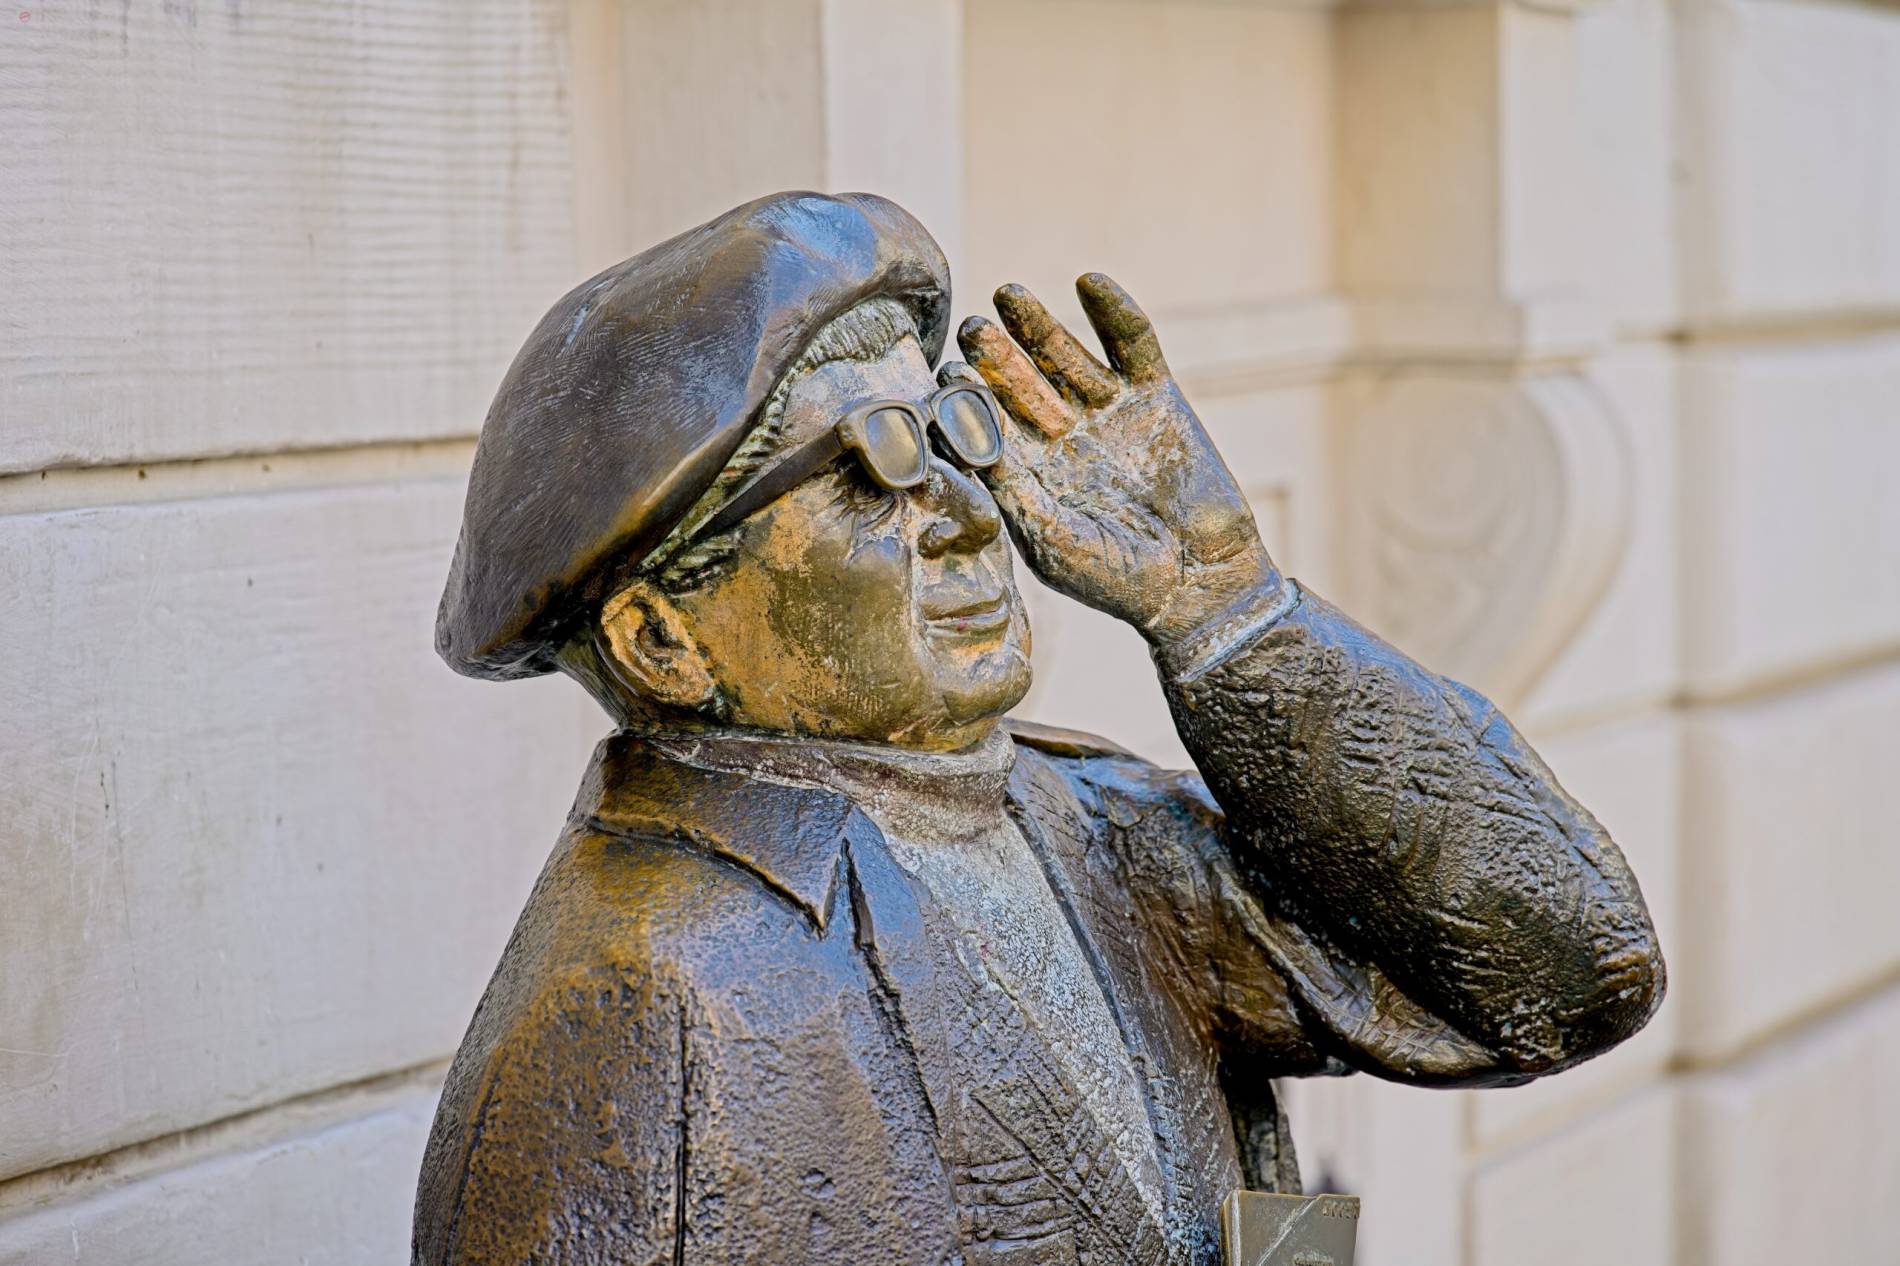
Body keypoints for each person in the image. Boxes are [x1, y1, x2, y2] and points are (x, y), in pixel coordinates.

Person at [414, 191, 1663, 1266]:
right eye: (868, 471)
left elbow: (1566, 983)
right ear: (663, 640)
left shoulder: (1081, 820)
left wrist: (1225, 610)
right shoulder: (636, 1007)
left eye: (950, 435)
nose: (970, 514)